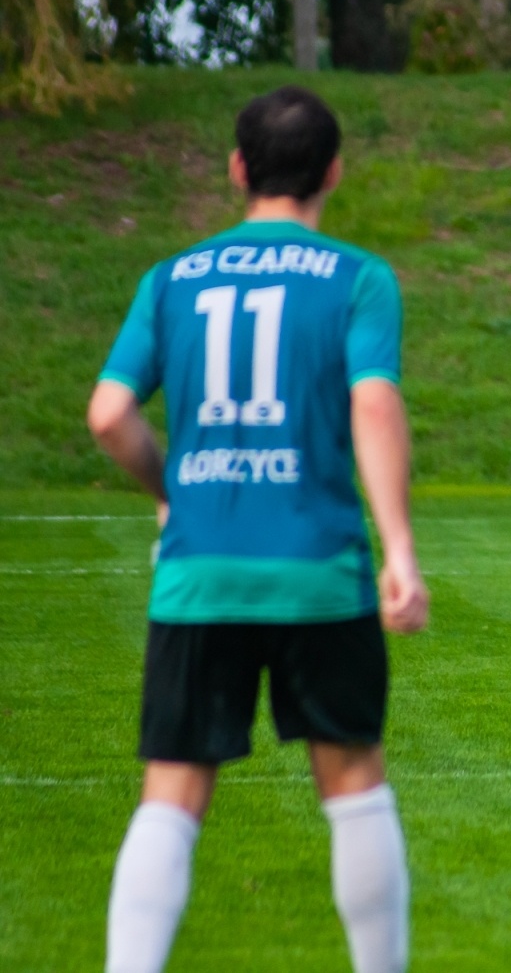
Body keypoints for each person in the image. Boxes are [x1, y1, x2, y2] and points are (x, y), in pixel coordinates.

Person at [88, 86, 429, 973]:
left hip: (199, 574)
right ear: (334, 172)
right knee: (353, 784)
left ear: (238, 169)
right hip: (319, 572)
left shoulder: (172, 279)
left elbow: (109, 414)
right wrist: (398, 550)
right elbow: (374, 405)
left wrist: (172, 490)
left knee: (171, 794)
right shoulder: (359, 278)